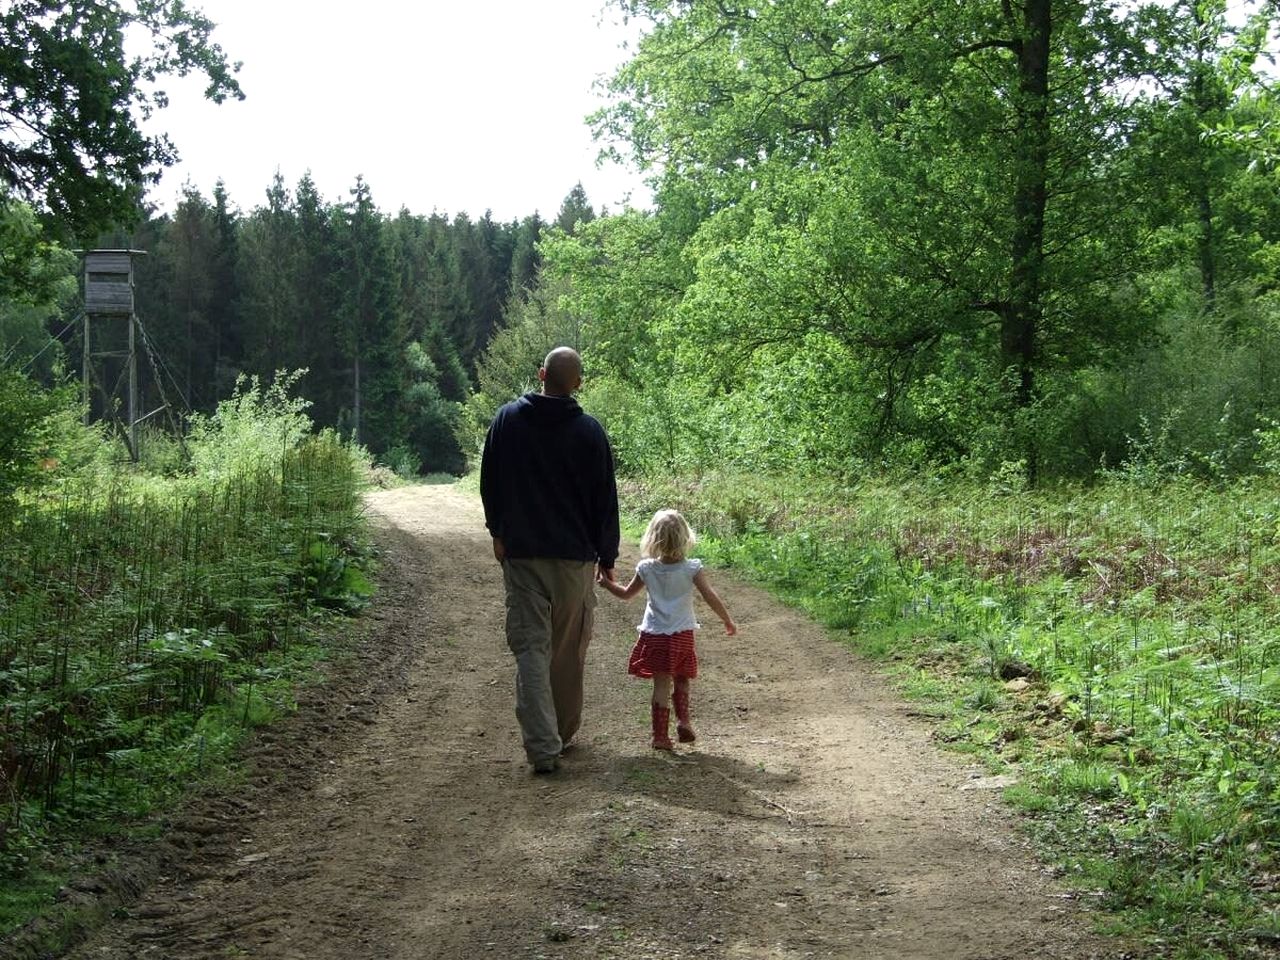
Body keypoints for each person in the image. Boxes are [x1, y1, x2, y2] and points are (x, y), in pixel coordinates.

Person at [480, 347, 620, 774]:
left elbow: (490, 480)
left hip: (522, 554)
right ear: (577, 383)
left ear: (541, 374)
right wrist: (607, 555)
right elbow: (604, 500)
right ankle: (559, 732)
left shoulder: (507, 420)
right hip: (574, 560)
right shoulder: (590, 432)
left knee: (531, 650)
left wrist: (498, 532)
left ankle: (545, 746)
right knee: (565, 651)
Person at [597, 509, 736, 750]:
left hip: (655, 635)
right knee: (682, 679)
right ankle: (684, 721)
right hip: (682, 635)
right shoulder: (692, 568)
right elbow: (709, 595)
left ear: (653, 538)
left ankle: (660, 737)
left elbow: (626, 594)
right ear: (685, 537)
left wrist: (606, 584)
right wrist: (726, 619)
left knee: (661, 684)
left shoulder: (647, 568)